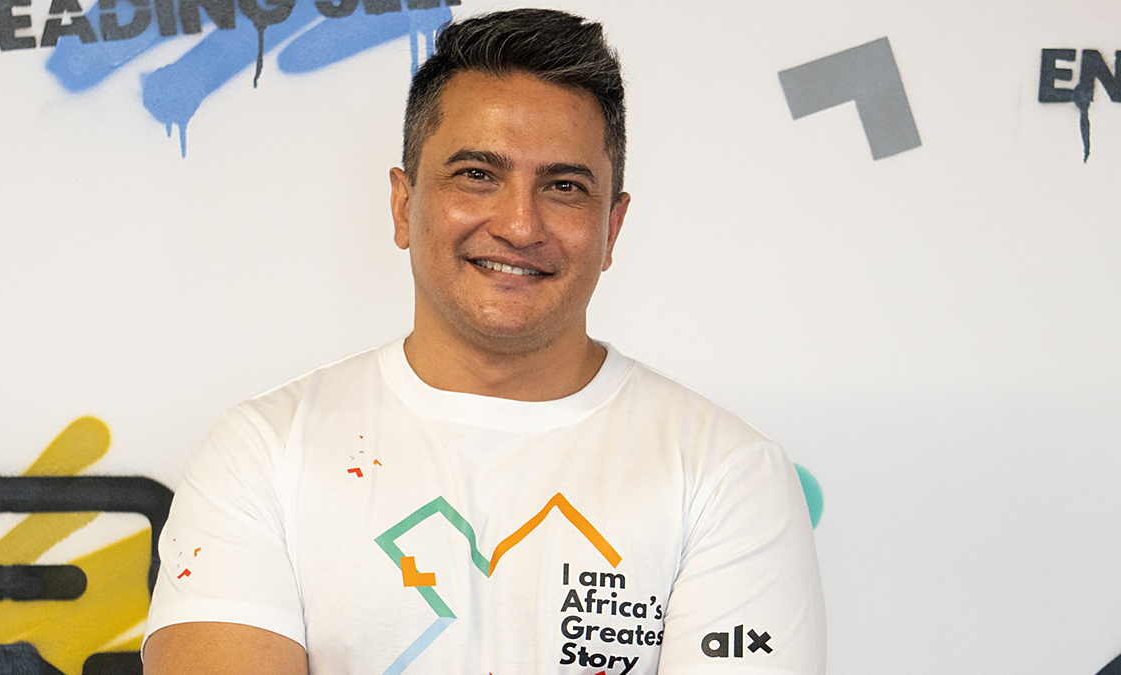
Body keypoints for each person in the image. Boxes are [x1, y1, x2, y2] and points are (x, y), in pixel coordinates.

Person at [142, 8, 825, 675]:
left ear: (612, 228)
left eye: (564, 186)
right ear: (404, 204)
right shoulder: (264, 452)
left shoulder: (727, 475)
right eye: (477, 175)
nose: (520, 225)